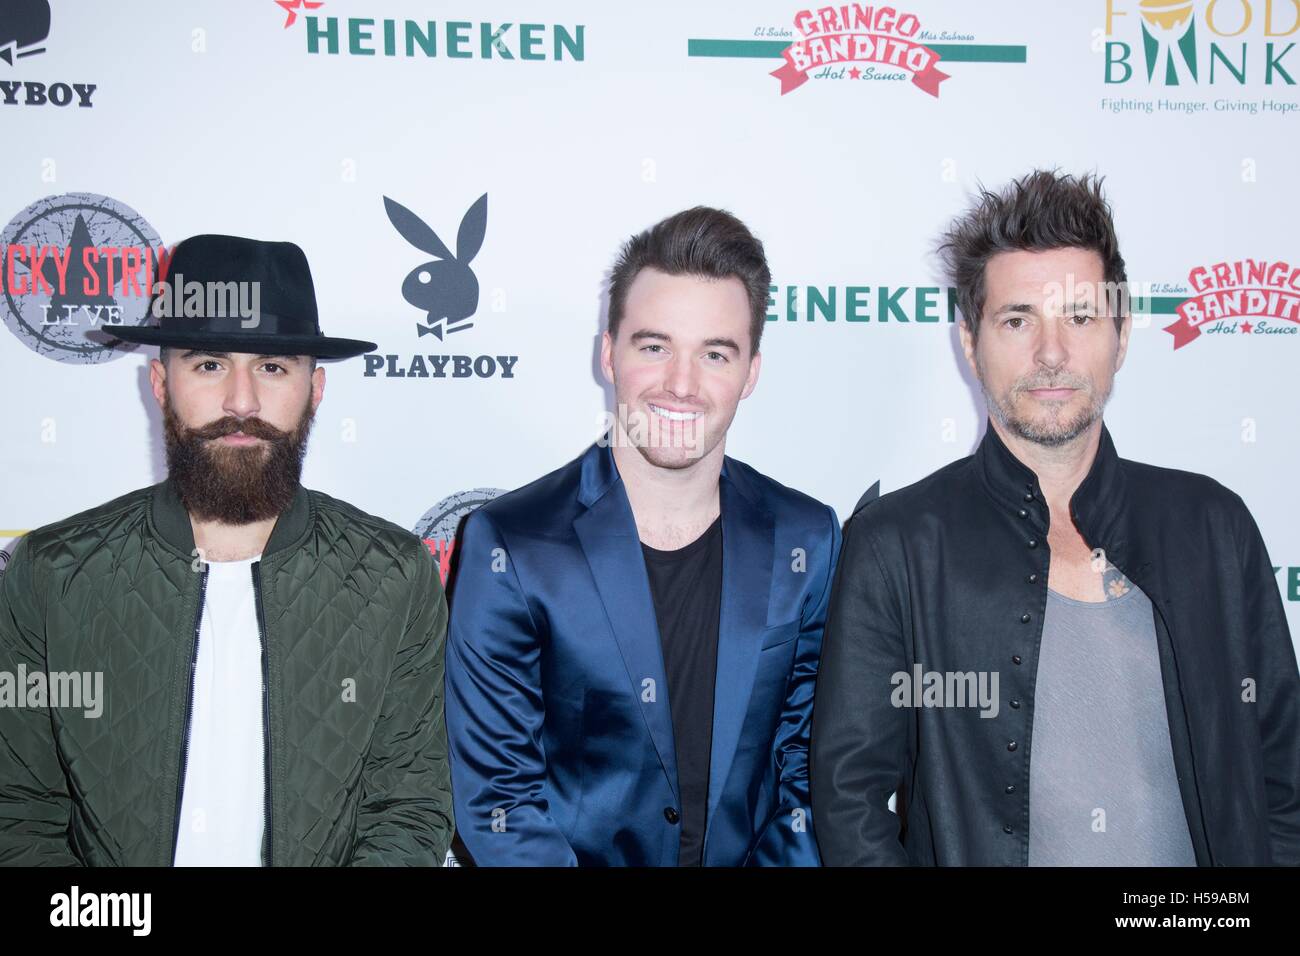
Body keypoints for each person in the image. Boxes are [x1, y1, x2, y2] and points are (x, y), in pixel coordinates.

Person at [811, 170, 1300, 866]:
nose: (1051, 354)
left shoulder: (1213, 527)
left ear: (1121, 335)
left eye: (1079, 316)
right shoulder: (897, 543)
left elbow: (1283, 778)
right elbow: (849, 800)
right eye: (1018, 320)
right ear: (969, 342)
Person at [0, 234, 453, 865]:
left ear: (315, 389)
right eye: (209, 364)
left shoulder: (395, 576)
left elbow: (407, 808)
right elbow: (18, 813)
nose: (241, 402)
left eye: (272, 368)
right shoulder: (52, 573)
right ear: (160, 383)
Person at [447, 207, 840, 865]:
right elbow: (499, 801)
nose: (680, 385)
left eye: (715, 353)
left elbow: (809, 772)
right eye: (654, 347)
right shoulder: (511, 544)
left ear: (751, 372)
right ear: (609, 354)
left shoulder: (807, 539)